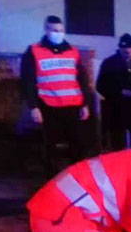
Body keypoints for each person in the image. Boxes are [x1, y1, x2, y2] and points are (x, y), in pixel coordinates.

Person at [20, 15, 92, 176]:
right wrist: (33, 107)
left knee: (78, 145)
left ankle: (78, 179)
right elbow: (27, 81)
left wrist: (85, 104)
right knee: (50, 147)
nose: (58, 33)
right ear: (46, 30)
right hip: (48, 106)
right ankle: (51, 180)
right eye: (54, 30)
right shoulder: (34, 51)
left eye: (60, 30)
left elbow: (82, 79)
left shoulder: (73, 51)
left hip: (73, 106)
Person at [96, 33, 131, 150]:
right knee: (117, 142)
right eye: (125, 51)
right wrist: (118, 93)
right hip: (115, 108)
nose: (128, 53)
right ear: (120, 49)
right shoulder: (109, 63)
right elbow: (100, 86)